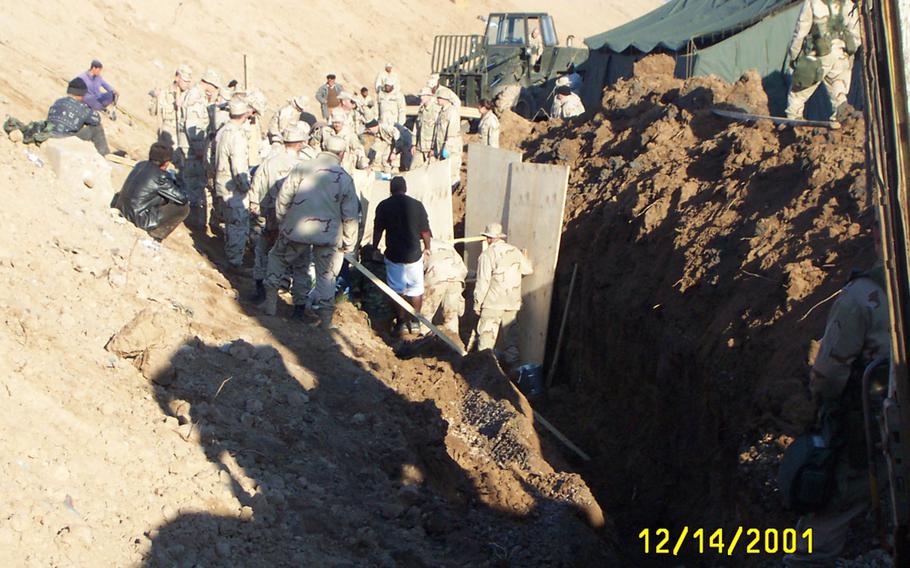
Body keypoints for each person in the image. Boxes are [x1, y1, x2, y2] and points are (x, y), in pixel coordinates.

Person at [783, 229, 890, 566]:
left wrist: (823, 409)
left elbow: (828, 374)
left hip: (872, 432)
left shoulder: (860, 298)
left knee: (829, 512)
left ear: (878, 238)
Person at [264, 135, 359, 329]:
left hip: (297, 229)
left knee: (279, 259)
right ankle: (324, 321)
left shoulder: (302, 167)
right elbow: (350, 215)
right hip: (328, 234)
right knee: (326, 275)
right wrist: (349, 242)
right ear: (342, 154)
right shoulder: (344, 177)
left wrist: (284, 222)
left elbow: (283, 197)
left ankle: (270, 306)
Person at [248, 123, 309, 303]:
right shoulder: (302, 167)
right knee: (297, 260)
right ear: (299, 144)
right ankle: (287, 291)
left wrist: (257, 209)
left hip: (268, 217)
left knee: (263, 252)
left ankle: (261, 289)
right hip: (293, 220)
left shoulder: (269, 162)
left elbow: (256, 187)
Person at [372, 176, 432, 336]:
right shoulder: (417, 205)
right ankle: (416, 321)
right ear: (405, 189)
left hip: (394, 255)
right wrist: (427, 247)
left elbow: (378, 230)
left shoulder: (384, 206)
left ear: (391, 189)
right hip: (414, 254)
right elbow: (425, 231)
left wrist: (374, 248)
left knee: (396, 289)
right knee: (416, 288)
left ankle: (401, 323)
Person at [785, 0, 861, 123]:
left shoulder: (812, 3)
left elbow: (800, 32)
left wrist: (794, 56)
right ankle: (840, 119)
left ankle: (793, 121)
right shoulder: (847, 3)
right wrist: (847, 51)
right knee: (838, 91)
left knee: (798, 91)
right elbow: (856, 35)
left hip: (820, 54)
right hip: (842, 54)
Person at [473, 222, 533, 365]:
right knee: (511, 340)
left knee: (486, 339)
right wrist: (523, 257)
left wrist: (477, 303)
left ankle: (485, 369)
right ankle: (513, 371)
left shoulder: (487, 255)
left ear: (487, 238)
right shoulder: (514, 251)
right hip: (512, 302)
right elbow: (528, 269)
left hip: (493, 303)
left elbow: (483, 282)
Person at [114, 143, 189, 241]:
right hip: (138, 219)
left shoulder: (140, 165)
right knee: (183, 207)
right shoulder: (160, 177)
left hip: (121, 207)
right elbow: (182, 198)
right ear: (166, 163)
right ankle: (156, 235)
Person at [213, 98, 253, 272]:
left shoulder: (222, 130)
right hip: (233, 187)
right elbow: (238, 166)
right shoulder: (236, 135)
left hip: (221, 181)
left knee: (230, 221)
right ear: (244, 115)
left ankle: (229, 255)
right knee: (238, 223)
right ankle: (234, 263)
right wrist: (246, 187)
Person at [46, 77, 111, 155]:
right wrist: (89, 107)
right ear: (81, 94)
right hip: (65, 140)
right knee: (96, 128)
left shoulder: (58, 101)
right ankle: (105, 154)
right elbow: (96, 120)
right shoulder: (82, 107)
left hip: (49, 136)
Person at [178, 77, 212, 228]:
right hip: (193, 151)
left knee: (191, 182)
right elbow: (193, 125)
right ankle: (191, 220)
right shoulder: (196, 98)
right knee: (194, 185)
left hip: (190, 148)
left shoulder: (196, 95)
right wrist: (199, 149)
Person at [421, 238, 467, 335]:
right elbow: (463, 269)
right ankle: (454, 341)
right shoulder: (445, 244)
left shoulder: (420, 245)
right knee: (451, 315)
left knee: (426, 314)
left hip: (436, 278)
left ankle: (422, 339)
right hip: (456, 278)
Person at [149, 64, 193, 157]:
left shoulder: (189, 96)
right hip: (165, 141)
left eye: (189, 81)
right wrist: (155, 99)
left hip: (182, 143)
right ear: (177, 78)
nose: (187, 84)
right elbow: (152, 112)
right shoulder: (163, 94)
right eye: (185, 81)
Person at [432, 86, 463, 188]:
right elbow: (438, 131)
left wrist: (446, 148)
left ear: (445, 99)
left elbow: (452, 134)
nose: (437, 100)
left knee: (452, 173)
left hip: (451, 148)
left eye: (439, 98)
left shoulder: (452, 112)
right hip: (441, 147)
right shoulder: (442, 112)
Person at [413, 87, 440, 168]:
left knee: (432, 170)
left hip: (430, 148)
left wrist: (434, 148)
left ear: (429, 96)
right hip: (420, 146)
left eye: (423, 96)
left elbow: (438, 131)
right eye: (420, 96)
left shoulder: (436, 110)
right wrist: (413, 144)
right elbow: (416, 128)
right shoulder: (421, 109)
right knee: (414, 169)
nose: (421, 98)